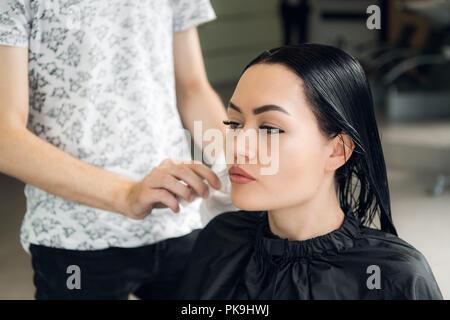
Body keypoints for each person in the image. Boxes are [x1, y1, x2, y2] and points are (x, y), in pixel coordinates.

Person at [0, 0, 229, 299]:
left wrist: (236, 166)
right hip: (75, 237)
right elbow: (5, 137)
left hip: (180, 220)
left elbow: (193, 88)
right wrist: (127, 194)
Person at [176, 44, 444, 300]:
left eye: (270, 128)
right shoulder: (219, 241)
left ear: (336, 151)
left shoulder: (395, 278)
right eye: (234, 123)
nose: (237, 146)